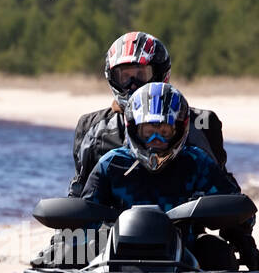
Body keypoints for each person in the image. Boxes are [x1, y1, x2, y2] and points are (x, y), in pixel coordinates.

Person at [82, 82, 259, 273]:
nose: (155, 141)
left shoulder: (196, 161)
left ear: (179, 130)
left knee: (218, 252)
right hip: (116, 253)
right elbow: (85, 213)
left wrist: (242, 237)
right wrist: (65, 245)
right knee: (69, 253)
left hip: (186, 257)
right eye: (148, 132)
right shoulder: (112, 163)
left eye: (164, 132)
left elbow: (232, 203)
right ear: (133, 129)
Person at [67, 31, 232, 197]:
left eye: (141, 75)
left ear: (161, 74)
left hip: (184, 219)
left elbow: (223, 187)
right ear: (113, 79)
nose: (133, 85)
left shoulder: (202, 122)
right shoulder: (91, 126)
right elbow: (80, 194)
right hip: (116, 222)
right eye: (125, 77)